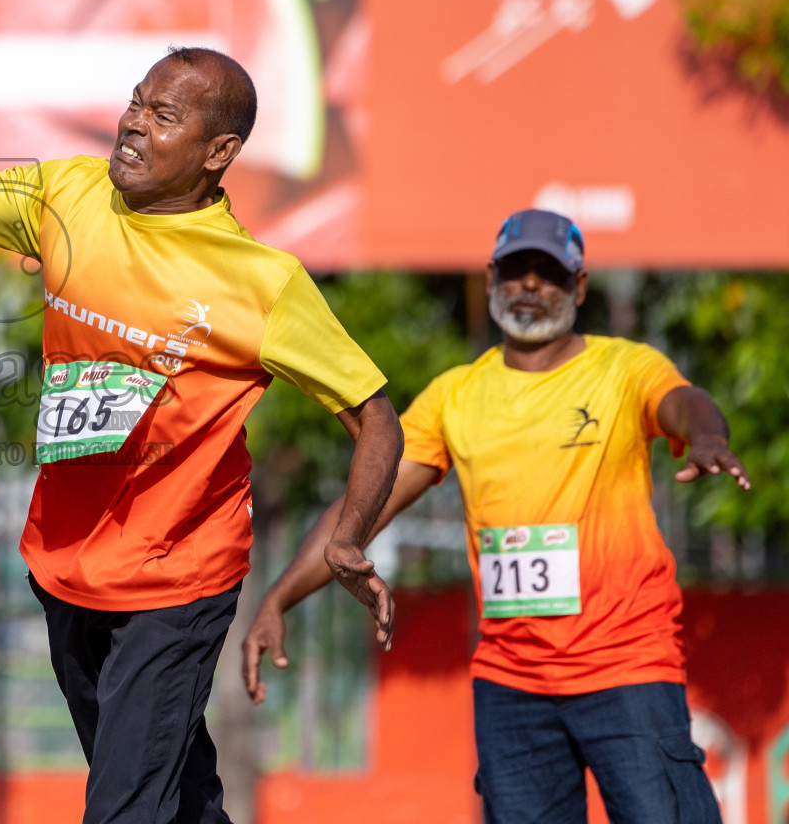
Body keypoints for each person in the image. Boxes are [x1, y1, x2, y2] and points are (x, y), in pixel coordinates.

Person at [0, 41, 402, 823]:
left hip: (177, 576)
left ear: (220, 152)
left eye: (163, 115)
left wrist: (348, 540)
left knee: (123, 808)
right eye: (136, 102)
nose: (134, 124)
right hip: (64, 560)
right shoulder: (65, 192)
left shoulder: (261, 282)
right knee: (176, 797)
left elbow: (376, 417)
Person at [243, 208, 748, 824]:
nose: (530, 285)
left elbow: (685, 403)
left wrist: (707, 436)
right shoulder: (455, 395)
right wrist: (277, 598)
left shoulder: (624, 369)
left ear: (579, 287)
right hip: (512, 685)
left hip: (626, 667)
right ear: (490, 279)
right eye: (516, 271)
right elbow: (361, 506)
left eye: (549, 273)